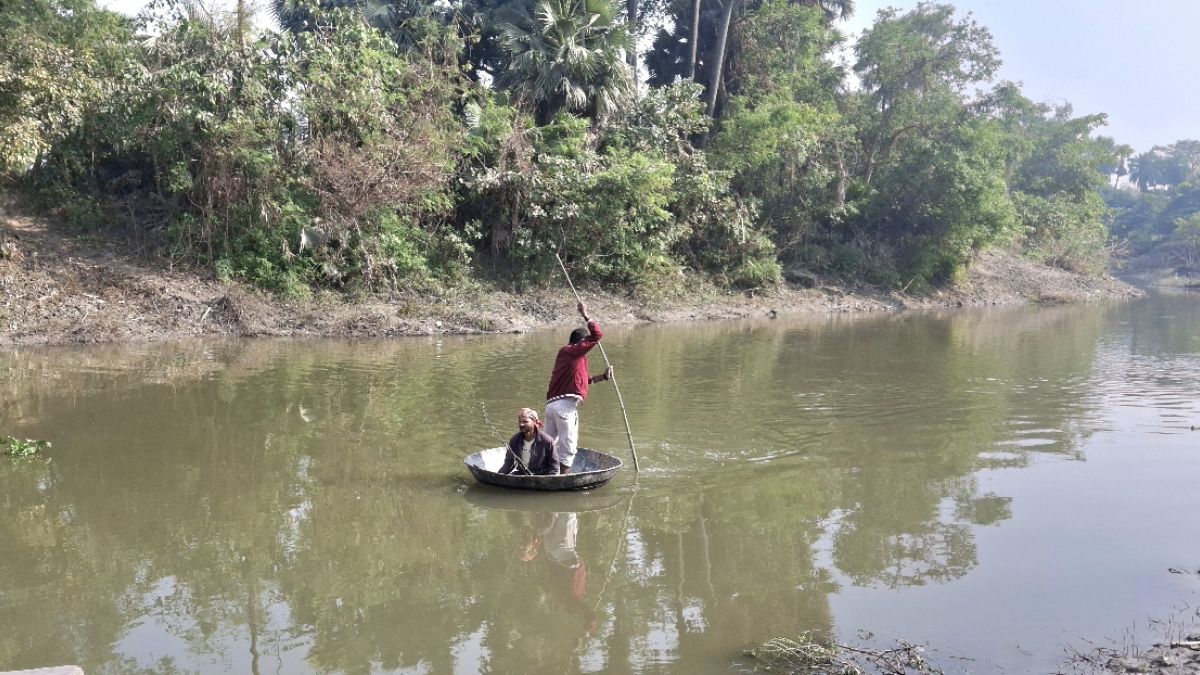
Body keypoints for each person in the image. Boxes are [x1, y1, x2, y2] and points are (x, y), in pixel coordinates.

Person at [544, 302, 612, 474]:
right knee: (568, 447)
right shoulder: (571, 351)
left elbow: (582, 381)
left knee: (548, 444)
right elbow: (597, 335)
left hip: (552, 407)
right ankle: (562, 480)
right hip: (565, 407)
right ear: (580, 343)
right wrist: (585, 314)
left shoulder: (570, 358)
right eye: (585, 343)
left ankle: (544, 473)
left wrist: (603, 377)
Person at [499, 407, 560, 475]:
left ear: (534, 422)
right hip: (522, 474)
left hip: (541, 475)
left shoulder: (547, 441)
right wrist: (499, 475)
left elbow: (554, 467)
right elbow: (509, 463)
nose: (521, 424)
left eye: (525, 422)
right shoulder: (515, 440)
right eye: (520, 422)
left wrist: (547, 481)